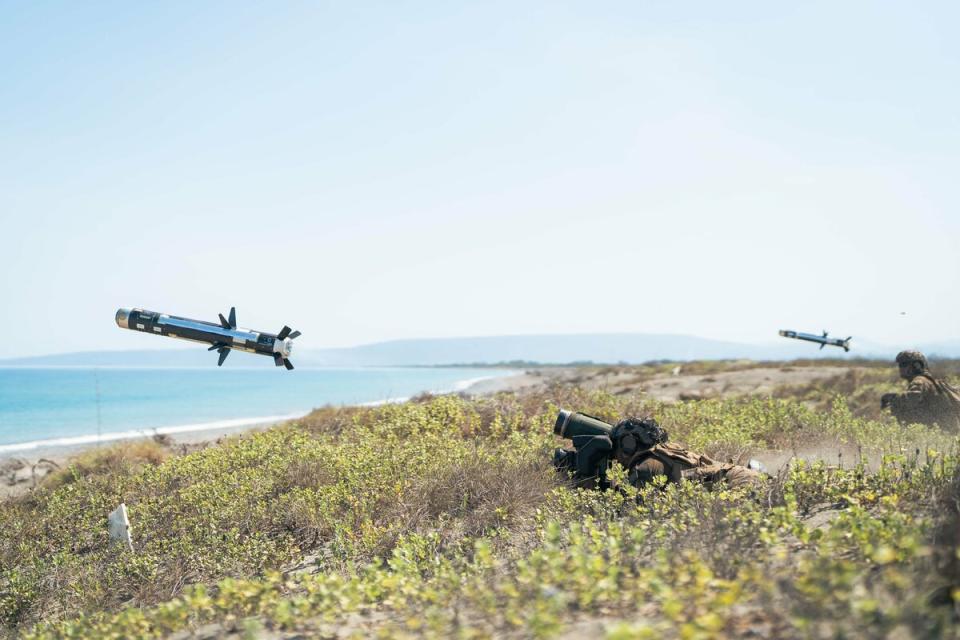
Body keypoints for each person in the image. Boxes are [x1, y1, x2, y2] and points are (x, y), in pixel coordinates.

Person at [553, 415, 765, 491]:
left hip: (741, 485)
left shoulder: (648, 466)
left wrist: (586, 472)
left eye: (616, 445)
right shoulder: (661, 454)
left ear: (628, 444)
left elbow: (629, 507)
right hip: (747, 478)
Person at [881, 351, 960, 432]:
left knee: (899, 405)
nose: (900, 368)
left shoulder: (919, 380)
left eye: (904, 364)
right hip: (945, 429)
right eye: (900, 365)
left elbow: (912, 398)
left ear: (917, 366)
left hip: (938, 431)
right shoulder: (927, 380)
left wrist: (892, 398)